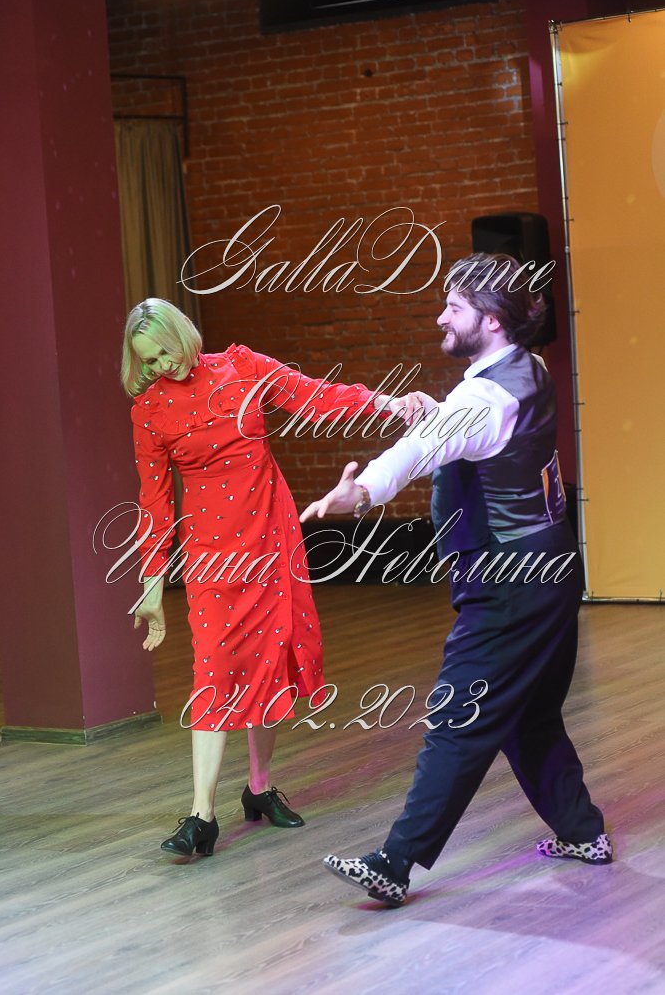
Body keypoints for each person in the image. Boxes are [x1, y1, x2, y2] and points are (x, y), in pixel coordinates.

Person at [300, 253, 611, 907]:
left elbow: (421, 449)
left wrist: (362, 491)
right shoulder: (528, 368)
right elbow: (470, 430)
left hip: (509, 581)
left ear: (492, 320)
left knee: (457, 716)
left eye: (454, 307)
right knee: (529, 713)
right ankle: (583, 833)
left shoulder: (481, 397)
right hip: (550, 567)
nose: (440, 316)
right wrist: (436, 413)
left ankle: (395, 862)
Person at [122, 298, 422, 857]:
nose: (162, 365)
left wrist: (388, 403)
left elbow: (316, 397)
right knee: (213, 668)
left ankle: (259, 789)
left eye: (165, 351)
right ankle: (201, 815)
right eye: (149, 360)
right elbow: (155, 505)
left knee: (270, 656)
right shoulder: (150, 410)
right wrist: (151, 588)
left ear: (183, 335)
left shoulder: (243, 366)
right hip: (212, 553)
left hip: (270, 536)